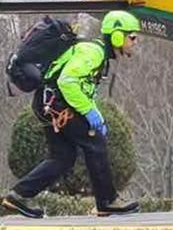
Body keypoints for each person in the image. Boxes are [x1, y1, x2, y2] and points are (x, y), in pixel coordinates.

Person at [2, 11, 142, 218]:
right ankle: (107, 201)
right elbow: (66, 82)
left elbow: (82, 88)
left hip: (47, 102)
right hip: (56, 103)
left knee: (63, 157)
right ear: (117, 36)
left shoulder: (98, 54)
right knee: (95, 142)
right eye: (132, 36)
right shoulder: (93, 52)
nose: (135, 42)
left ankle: (18, 196)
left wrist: (92, 111)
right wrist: (90, 112)